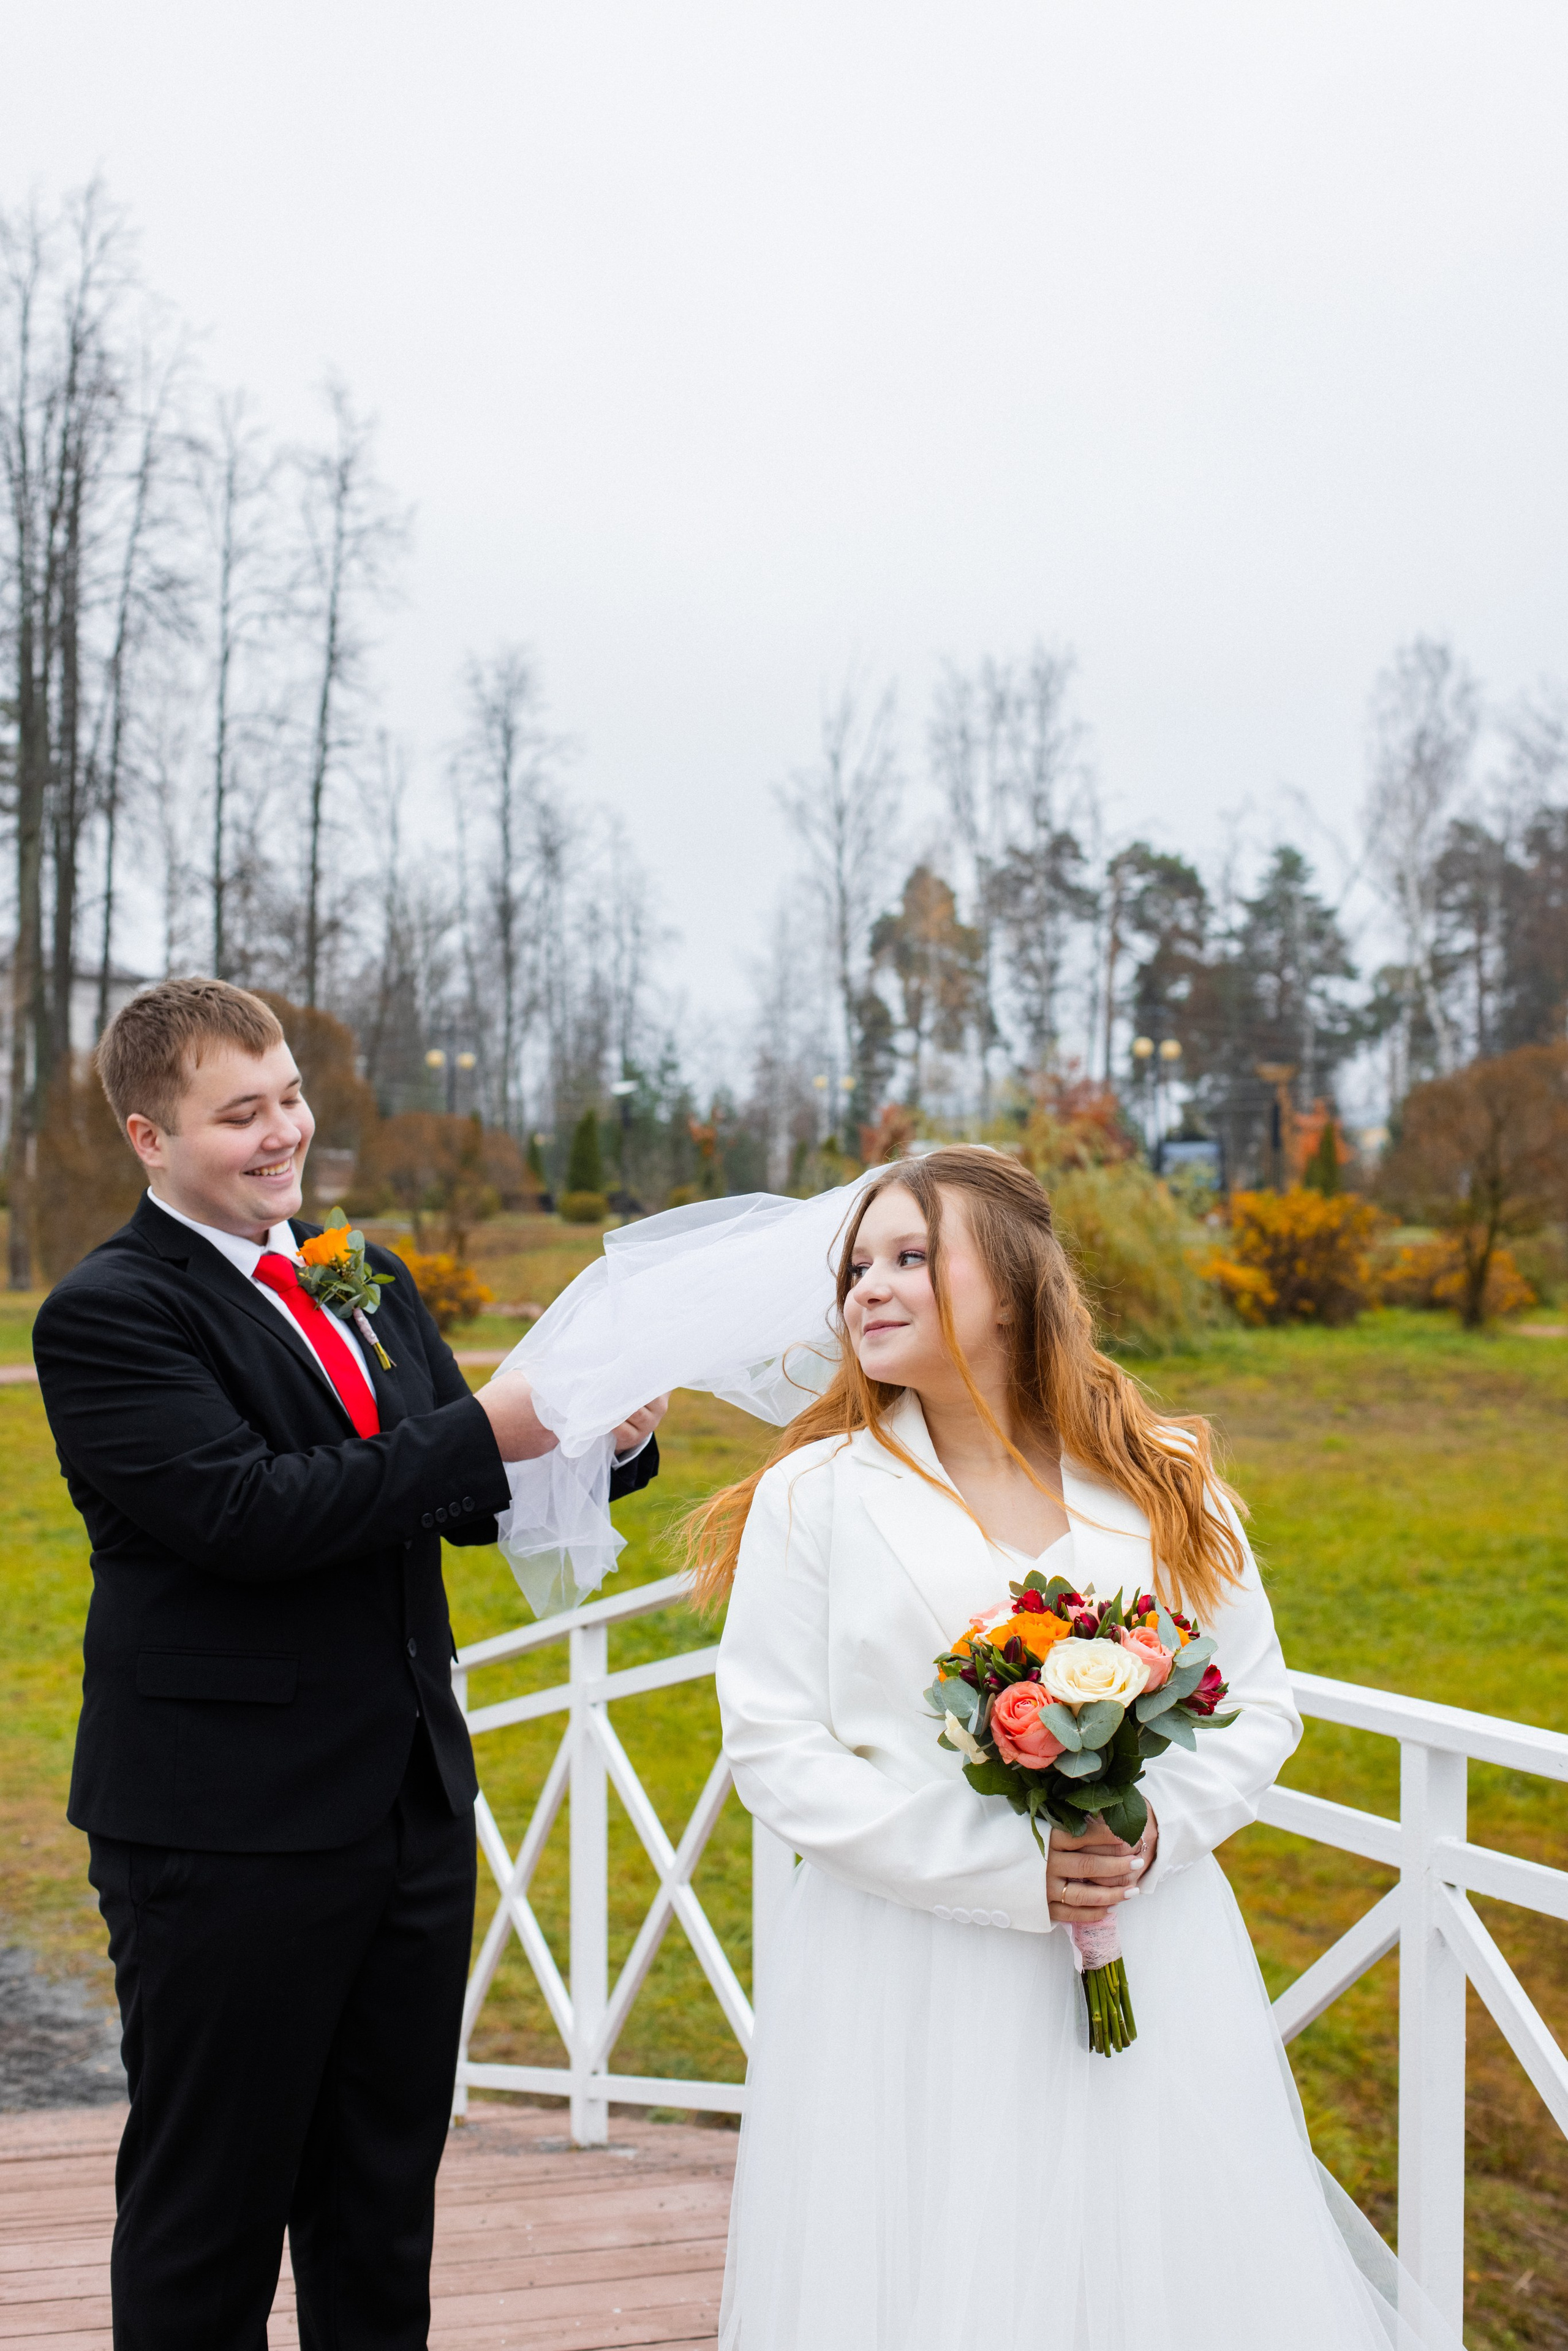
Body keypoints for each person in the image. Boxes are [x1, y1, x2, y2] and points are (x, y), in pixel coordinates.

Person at [696, 1147, 1451, 2351]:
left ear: (1005, 1283)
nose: (865, 1289)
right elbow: (776, 1749)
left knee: (1149, 2273)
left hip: (1151, 1948)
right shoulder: (813, 1495)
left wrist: (1154, 1828)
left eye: (906, 1257)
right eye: (854, 1266)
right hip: (906, 1967)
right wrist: (1003, 1869)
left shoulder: (1161, 1477)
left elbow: (1256, 1703)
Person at [32, 976, 668, 2351]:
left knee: (379, 2205)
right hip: (223, 1829)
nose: (283, 1134)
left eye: (291, 1098)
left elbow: (453, 1491)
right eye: (239, 1114)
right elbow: (245, 1513)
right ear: (148, 1136)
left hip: (405, 1811)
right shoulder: (108, 1312)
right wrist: (482, 1428)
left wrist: (594, 1438)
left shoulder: (359, 1271)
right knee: (211, 2209)